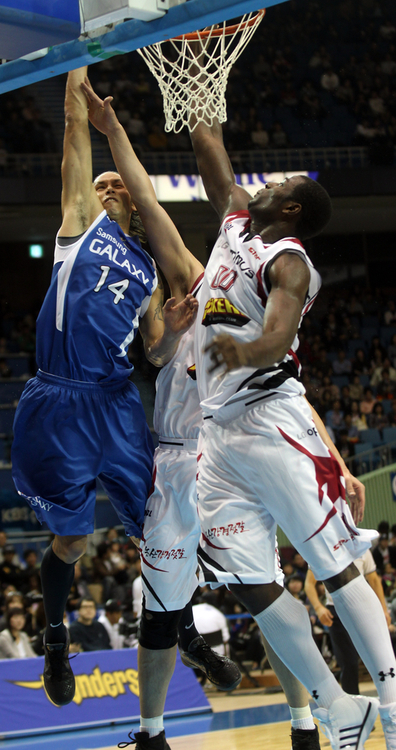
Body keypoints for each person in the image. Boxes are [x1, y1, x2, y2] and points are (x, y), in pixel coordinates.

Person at [81, 77, 324, 750]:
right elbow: (152, 201)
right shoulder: (186, 288)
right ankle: (152, 735)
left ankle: (305, 725)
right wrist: (114, 133)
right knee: (158, 613)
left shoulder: (262, 295)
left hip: (230, 456)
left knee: (265, 598)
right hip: (172, 461)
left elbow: (283, 382)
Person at [189, 110, 396, 747]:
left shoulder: (289, 260)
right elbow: (208, 146)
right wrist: (199, 83)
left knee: (335, 564)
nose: (264, 184)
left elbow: (277, 338)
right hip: (218, 438)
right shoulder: (236, 225)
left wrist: (242, 352)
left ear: (294, 209)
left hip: (273, 421)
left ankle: (391, 697)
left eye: (277, 183)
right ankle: (337, 705)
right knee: (248, 579)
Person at [10, 68, 198, 710]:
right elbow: (72, 124)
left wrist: (171, 333)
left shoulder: (148, 270)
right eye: (102, 180)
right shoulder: (75, 227)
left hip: (117, 401)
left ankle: (184, 628)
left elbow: (154, 352)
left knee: (156, 522)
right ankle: (56, 636)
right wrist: (77, 58)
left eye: (119, 181)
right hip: (59, 398)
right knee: (72, 541)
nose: (112, 183)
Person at [305, 550, 392, 695]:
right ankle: (355, 703)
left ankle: (390, 696)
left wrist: (383, 609)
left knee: (379, 655)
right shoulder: (319, 545)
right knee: (348, 662)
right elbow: (309, 584)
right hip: (335, 611)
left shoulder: (360, 545)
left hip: (364, 608)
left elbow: (374, 580)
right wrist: (319, 608)